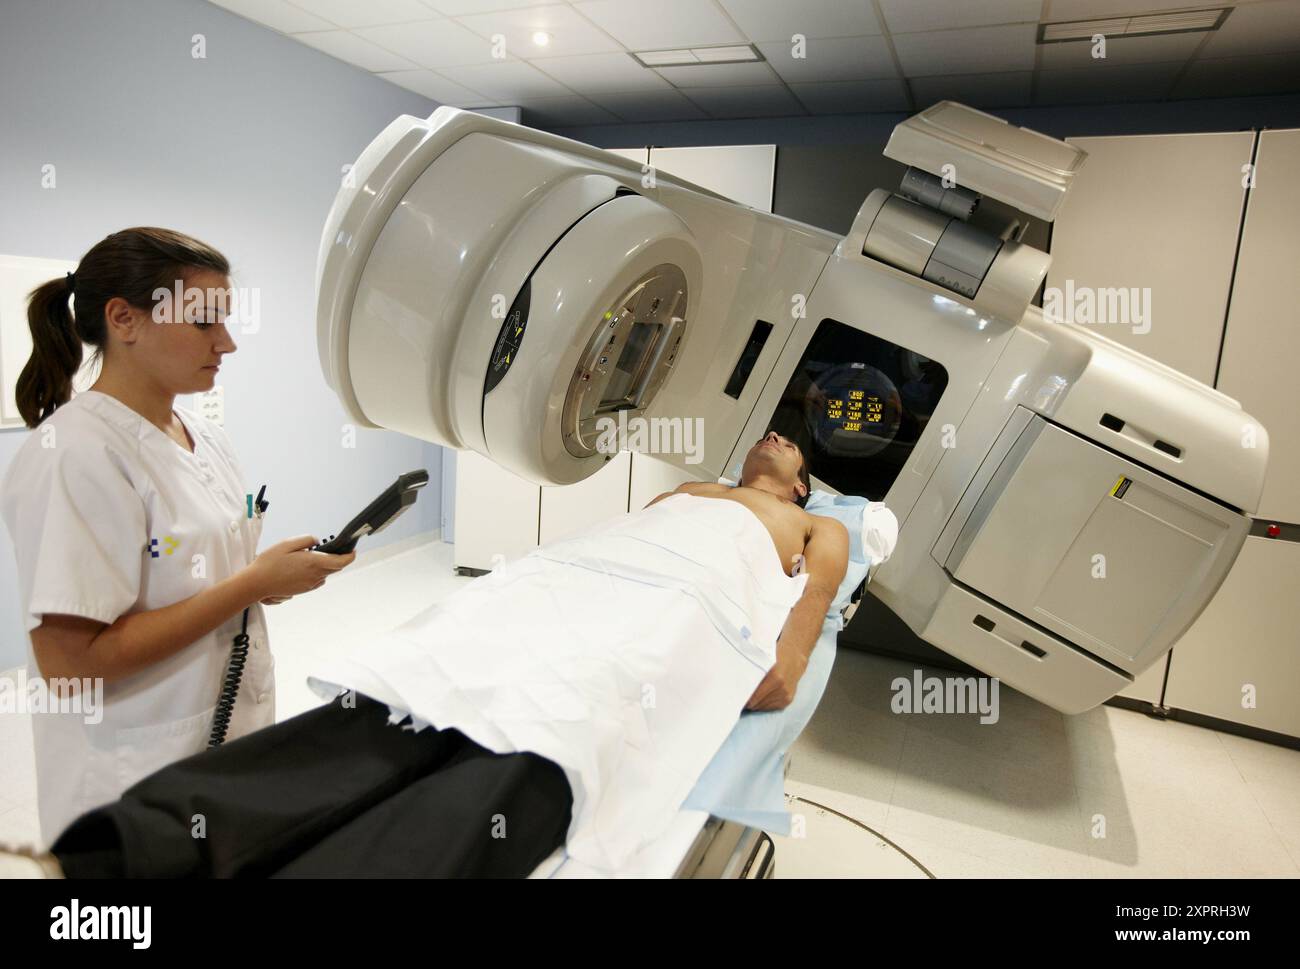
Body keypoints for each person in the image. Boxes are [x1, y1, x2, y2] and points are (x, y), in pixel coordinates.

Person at [35, 428, 847, 878]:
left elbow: (791, 652)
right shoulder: (687, 491)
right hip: (563, 582)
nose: (775, 435)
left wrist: (713, 672)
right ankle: (113, 859)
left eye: (792, 446)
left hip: (669, 614)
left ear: (802, 487)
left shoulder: (822, 528)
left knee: (539, 733)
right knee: (402, 700)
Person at [0, 227, 356, 846]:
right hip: (130, 767)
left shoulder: (199, 432)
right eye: (204, 323)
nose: (228, 343)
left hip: (219, 740)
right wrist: (249, 583)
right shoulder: (76, 455)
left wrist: (268, 582)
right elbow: (69, 664)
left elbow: (197, 576)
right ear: (123, 319)